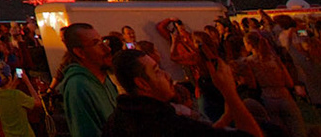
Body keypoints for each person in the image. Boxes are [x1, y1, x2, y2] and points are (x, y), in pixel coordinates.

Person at [102, 48, 259, 137]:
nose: (167, 76)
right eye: (157, 71)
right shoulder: (168, 126)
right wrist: (230, 92)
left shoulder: (115, 122)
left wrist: (226, 117)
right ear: (142, 84)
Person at [57, 26, 116, 137]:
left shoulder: (104, 79)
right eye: (96, 44)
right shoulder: (78, 87)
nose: (107, 49)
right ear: (80, 53)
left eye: (103, 41)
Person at [0, 71, 41, 137]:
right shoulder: (17, 95)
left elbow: (7, 94)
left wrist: (14, 83)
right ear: (9, 77)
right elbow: (38, 103)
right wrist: (27, 81)